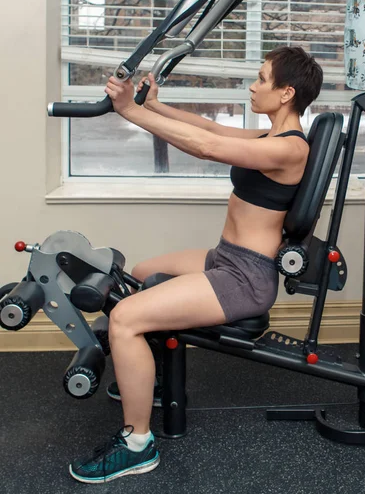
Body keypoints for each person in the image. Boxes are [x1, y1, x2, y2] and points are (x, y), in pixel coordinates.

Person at [69, 46, 323, 484]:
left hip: (245, 278)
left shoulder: (292, 150)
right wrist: (154, 104)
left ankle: (136, 444)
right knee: (141, 275)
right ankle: (145, 380)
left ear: (286, 93)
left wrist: (129, 110)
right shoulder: (270, 139)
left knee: (125, 319)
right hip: (226, 258)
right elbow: (207, 127)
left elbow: (206, 147)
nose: (252, 85)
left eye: (261, 79)